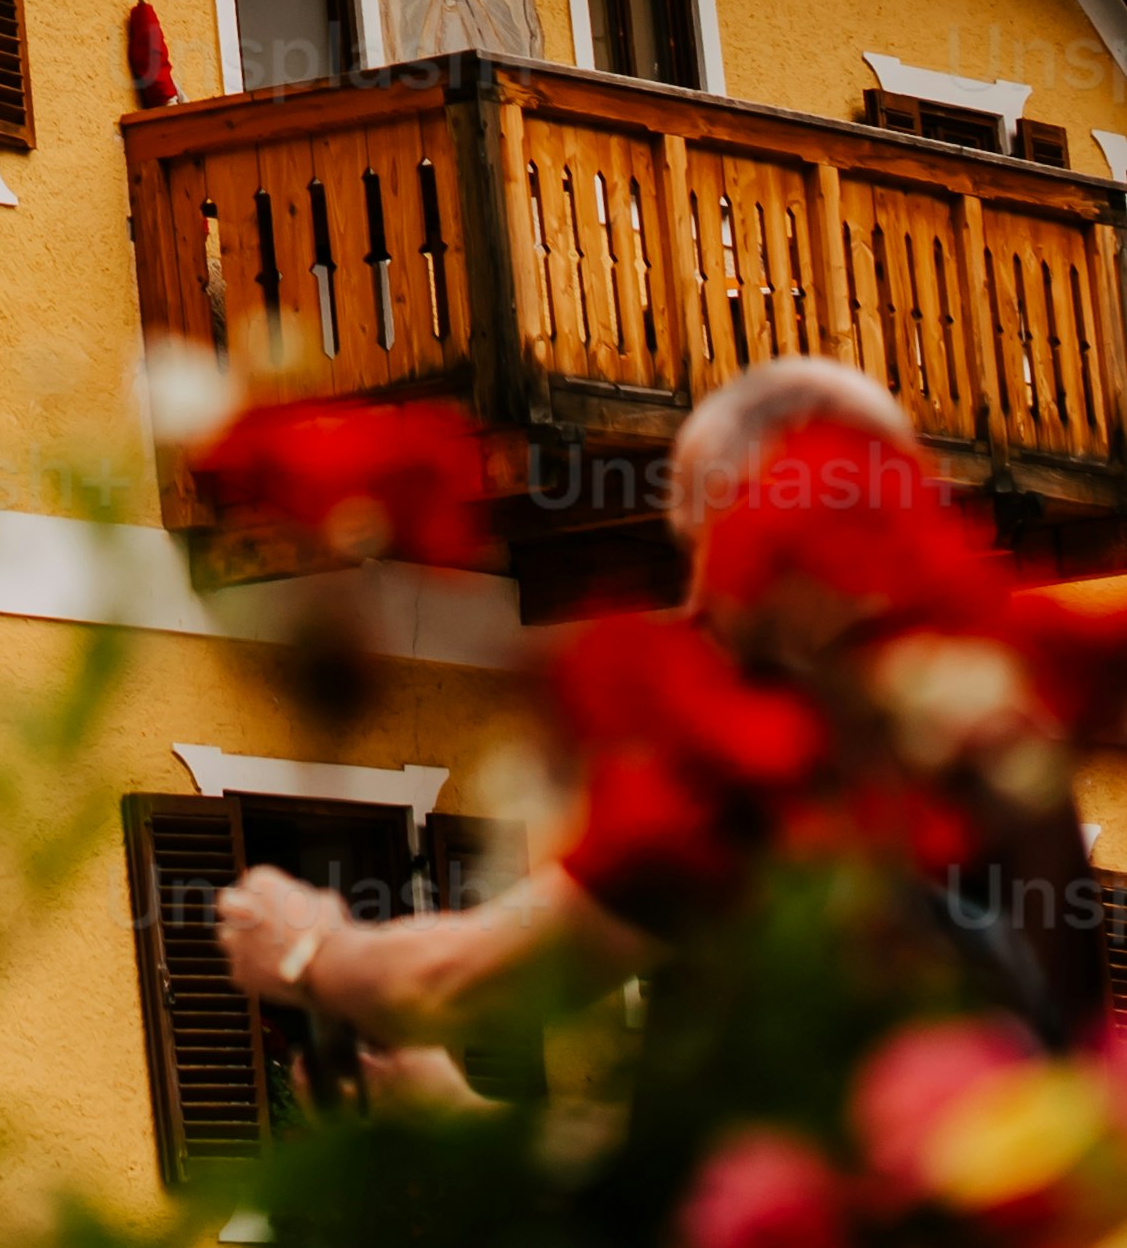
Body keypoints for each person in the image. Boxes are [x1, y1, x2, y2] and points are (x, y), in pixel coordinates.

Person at [214, 359, 929, 1063]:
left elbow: (468, 983)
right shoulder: (968, 712)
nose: (698, 599)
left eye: (705, 544)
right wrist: (443, 1098)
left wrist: (311, 952)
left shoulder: (752, 765)